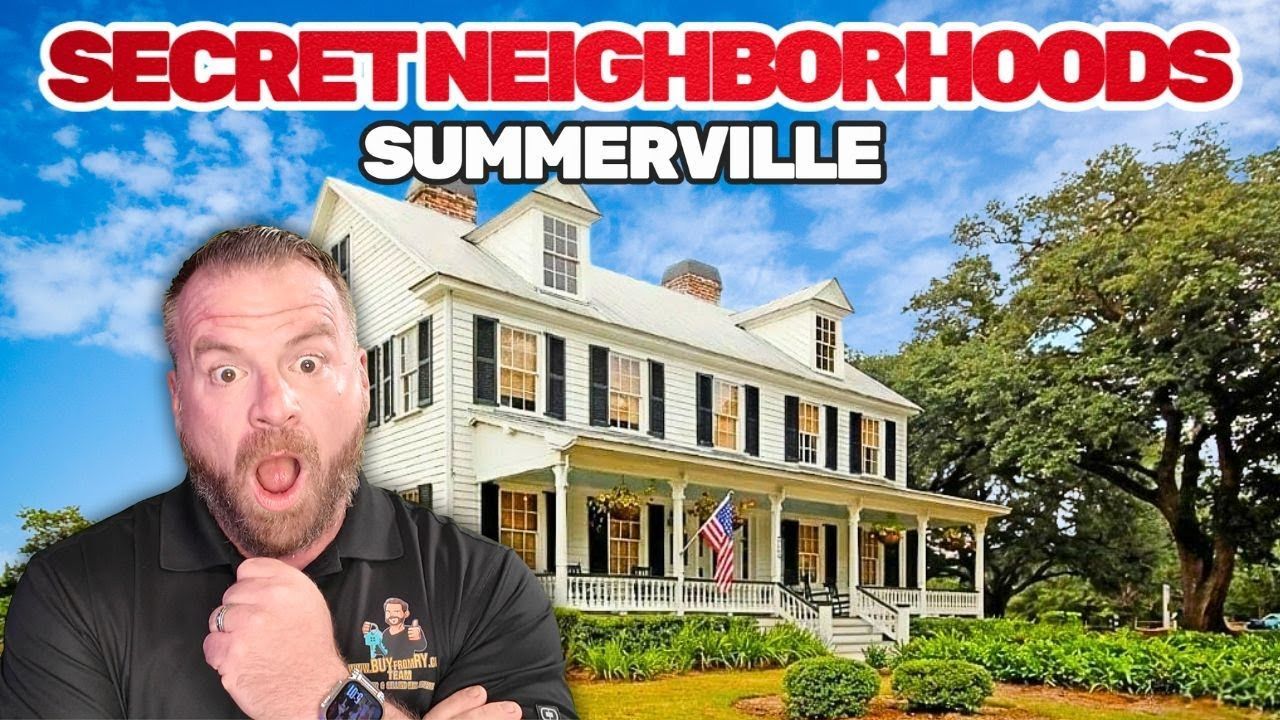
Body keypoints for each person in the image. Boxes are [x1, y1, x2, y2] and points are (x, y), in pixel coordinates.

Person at [0, 226, 576, 720]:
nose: (274, 405)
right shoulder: (71, 594)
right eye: (226, 372)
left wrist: (323, 696)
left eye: (308, 362)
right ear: (179, 403)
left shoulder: (487, 588)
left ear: (363, 382)